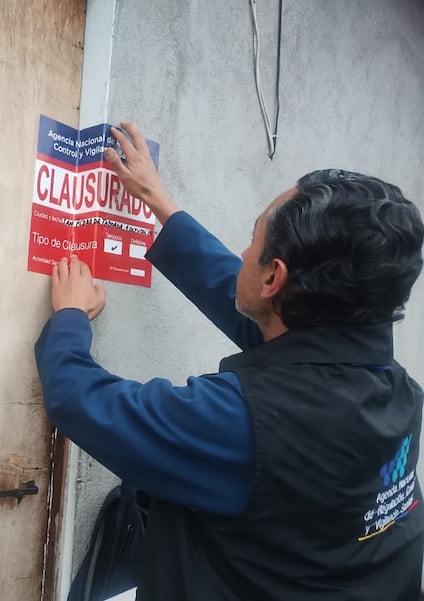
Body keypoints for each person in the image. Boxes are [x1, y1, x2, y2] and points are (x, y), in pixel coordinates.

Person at [35, 122, 424, 600]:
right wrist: (158, 201)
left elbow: (81, 401)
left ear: (273, 278)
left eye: (252, 240)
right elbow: (256, 310)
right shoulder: (394, 390)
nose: (242, 253)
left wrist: (70, 317)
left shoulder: (246, 425)